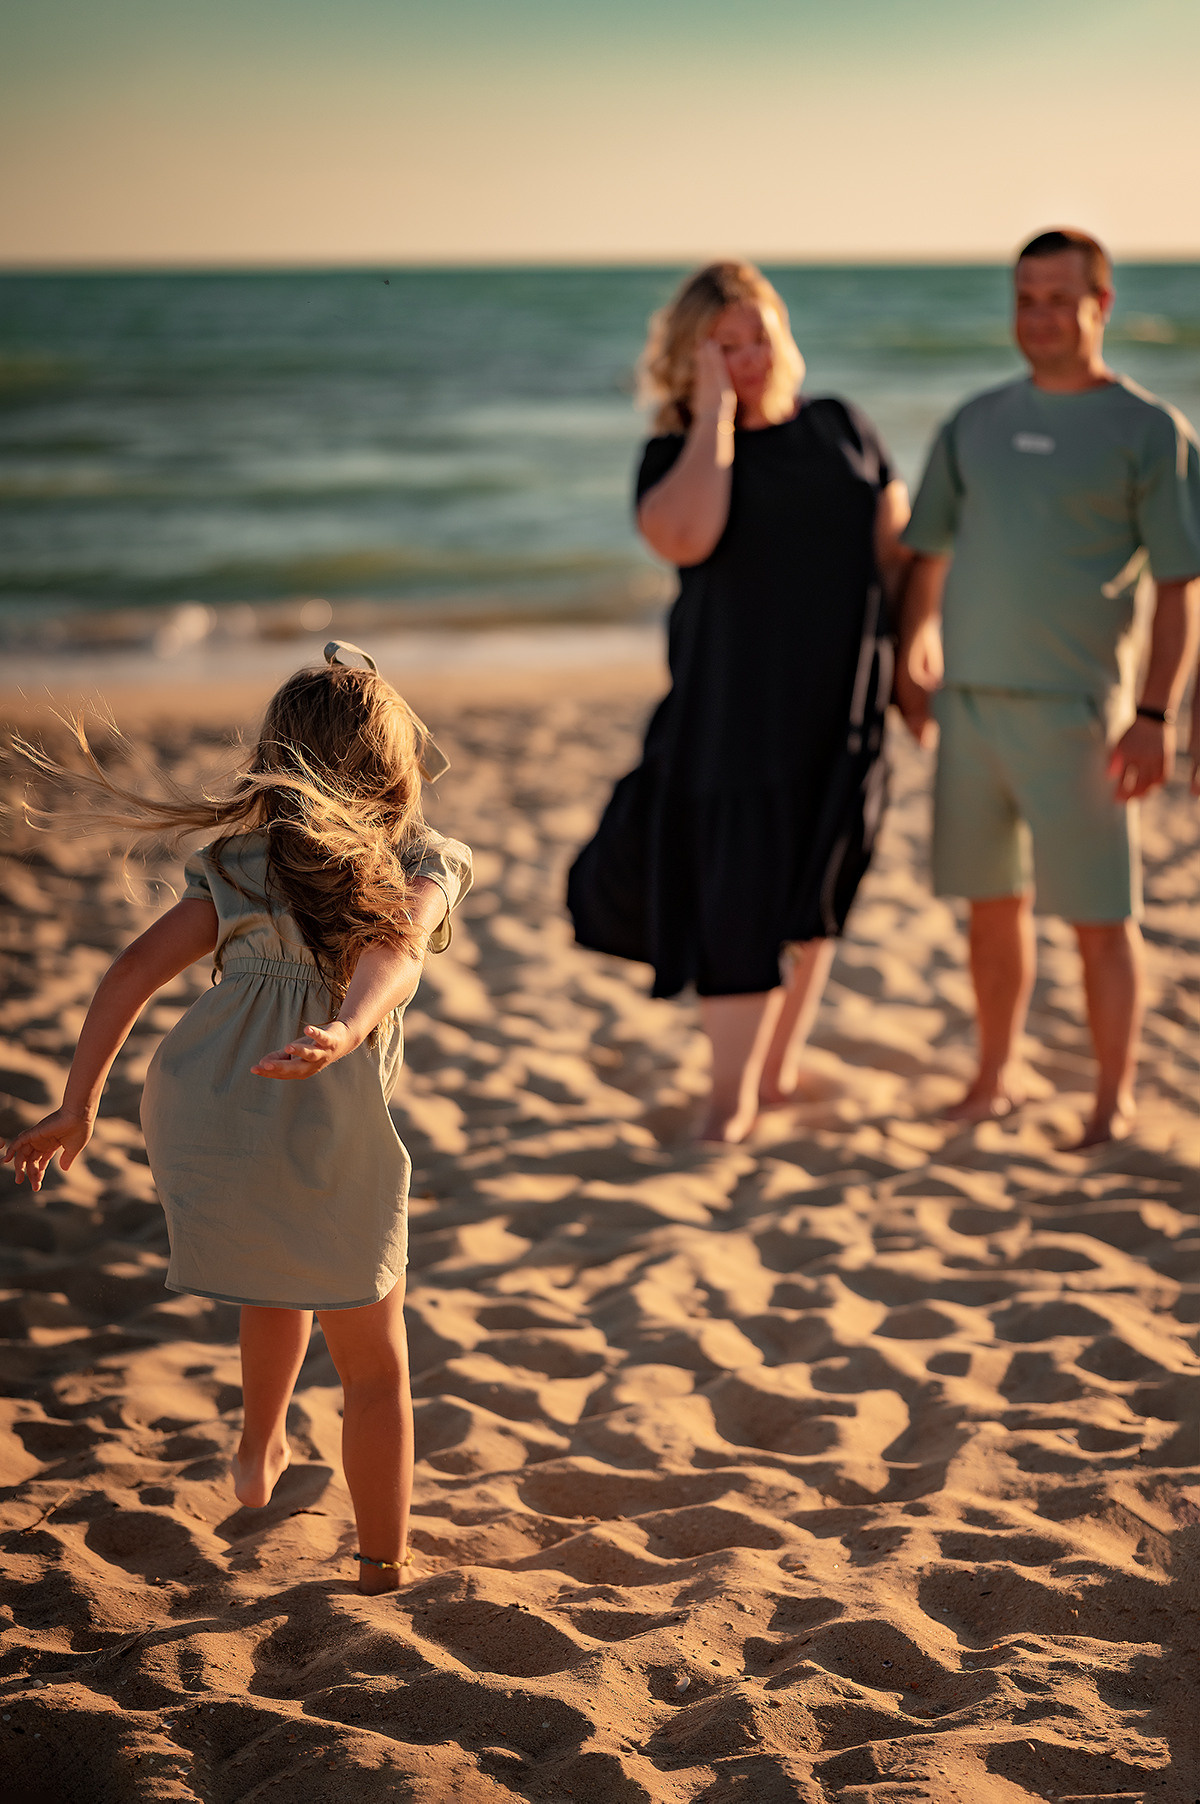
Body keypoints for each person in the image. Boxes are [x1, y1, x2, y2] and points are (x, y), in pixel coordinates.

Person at [1, 642, 472, 1594]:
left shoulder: (239, 865)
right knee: (375, 1367)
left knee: (274, 1283)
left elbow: (131, 972)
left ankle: (258, 1443)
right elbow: (399, 953)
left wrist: (78, 1104)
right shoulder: (418, 861)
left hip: (211, 1106)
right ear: (391, 772)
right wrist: (342, 1031)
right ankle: (380, 1565)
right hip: (323, 1126)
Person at [568, 261, 912, 1143]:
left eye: (758, 334)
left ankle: (779, 1069)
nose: (748, 354)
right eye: (723, 343)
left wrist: (919, 658)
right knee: (739, 906)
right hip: (734, 718)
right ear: (689, 356)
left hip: (843, 709)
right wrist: (716, 413)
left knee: (817, 893)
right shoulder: (675, 455)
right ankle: (730, 1102)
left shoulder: (843, 425)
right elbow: (686, 536)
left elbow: (902, 552)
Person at [896, 229, 1200, 1147]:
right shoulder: (975, 421)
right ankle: (995, 1077)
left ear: (1100, 307)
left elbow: (1181, 585)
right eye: (1025, 298)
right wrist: (915, 645)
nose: (1038, 316)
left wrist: (1154, 717)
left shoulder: (1150, 430)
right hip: (972, 710)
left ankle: (1114, 1100)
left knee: (1102, 919)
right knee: (992, 911)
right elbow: (929, 551)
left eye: (1057, 299)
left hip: (1084, 715)